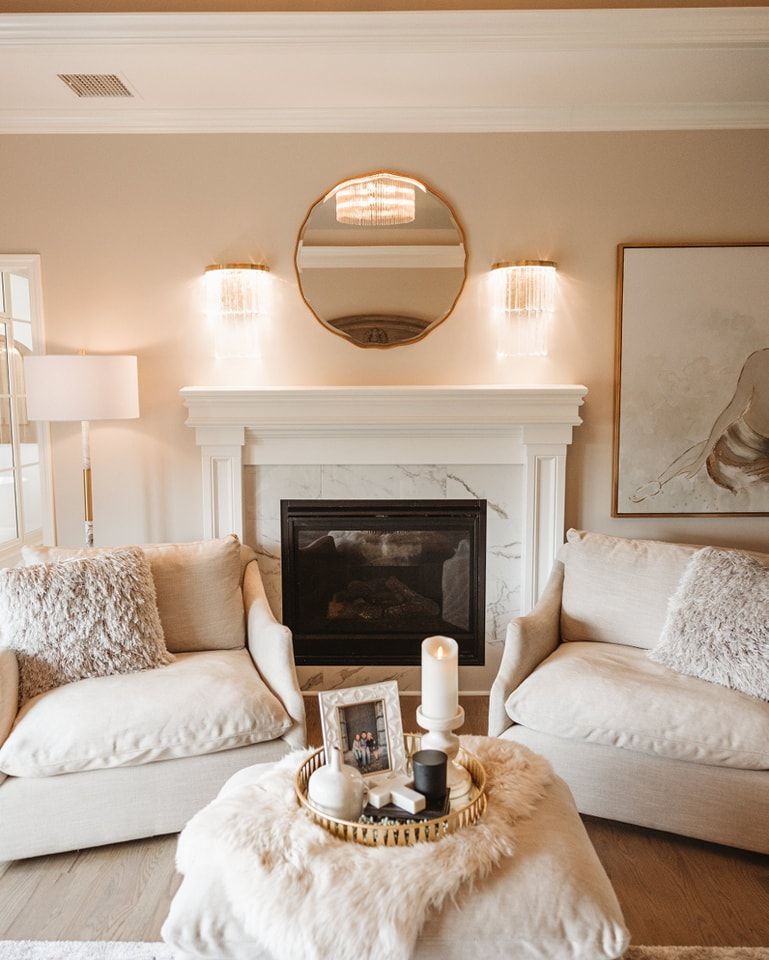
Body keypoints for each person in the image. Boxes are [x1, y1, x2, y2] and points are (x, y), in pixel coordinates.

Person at [631, 347, 769, 501]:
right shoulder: (758, 360)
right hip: (743, 436)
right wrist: (702, 457)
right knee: (704, 449)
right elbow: (734, 408)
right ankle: (659, 482)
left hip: (764, 455)